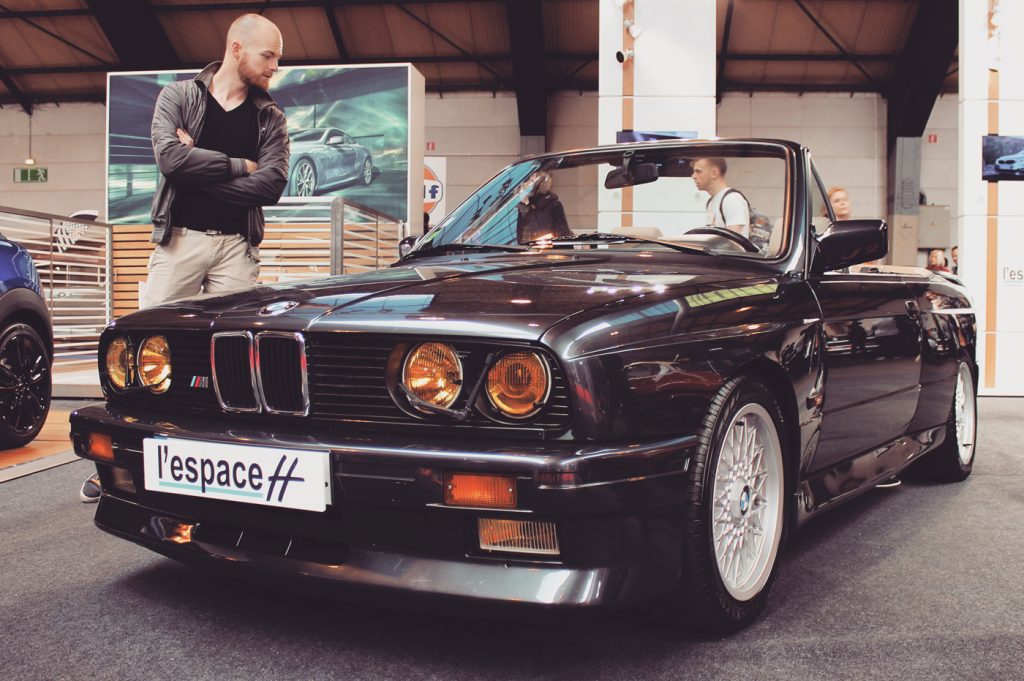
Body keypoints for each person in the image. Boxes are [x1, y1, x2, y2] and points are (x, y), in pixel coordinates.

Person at [81, 13, 290, 503]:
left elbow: (274, 183)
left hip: (237, 249)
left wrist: (201, 167)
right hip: (181, 242)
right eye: (269, 56)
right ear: (237, 49)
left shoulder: (270, 116)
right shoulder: (178, 96)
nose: (275, 67)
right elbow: (170, 161)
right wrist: (239, 165)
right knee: (138, 349)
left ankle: (223, 464)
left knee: (233, 361)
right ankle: (117, 458)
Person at [692, 157, 750, 237]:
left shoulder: (731, 199)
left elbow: (734, 242)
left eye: (698, 171)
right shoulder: (711, 201)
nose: (693, 176)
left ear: (714, 173)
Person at [516, 172, 571, 243]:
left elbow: (562, 234)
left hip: (545, 251)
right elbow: (519, 235)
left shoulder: (552, 204)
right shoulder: (523, 206)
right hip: (524, 251)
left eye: (531, 182)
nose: (526, 186)